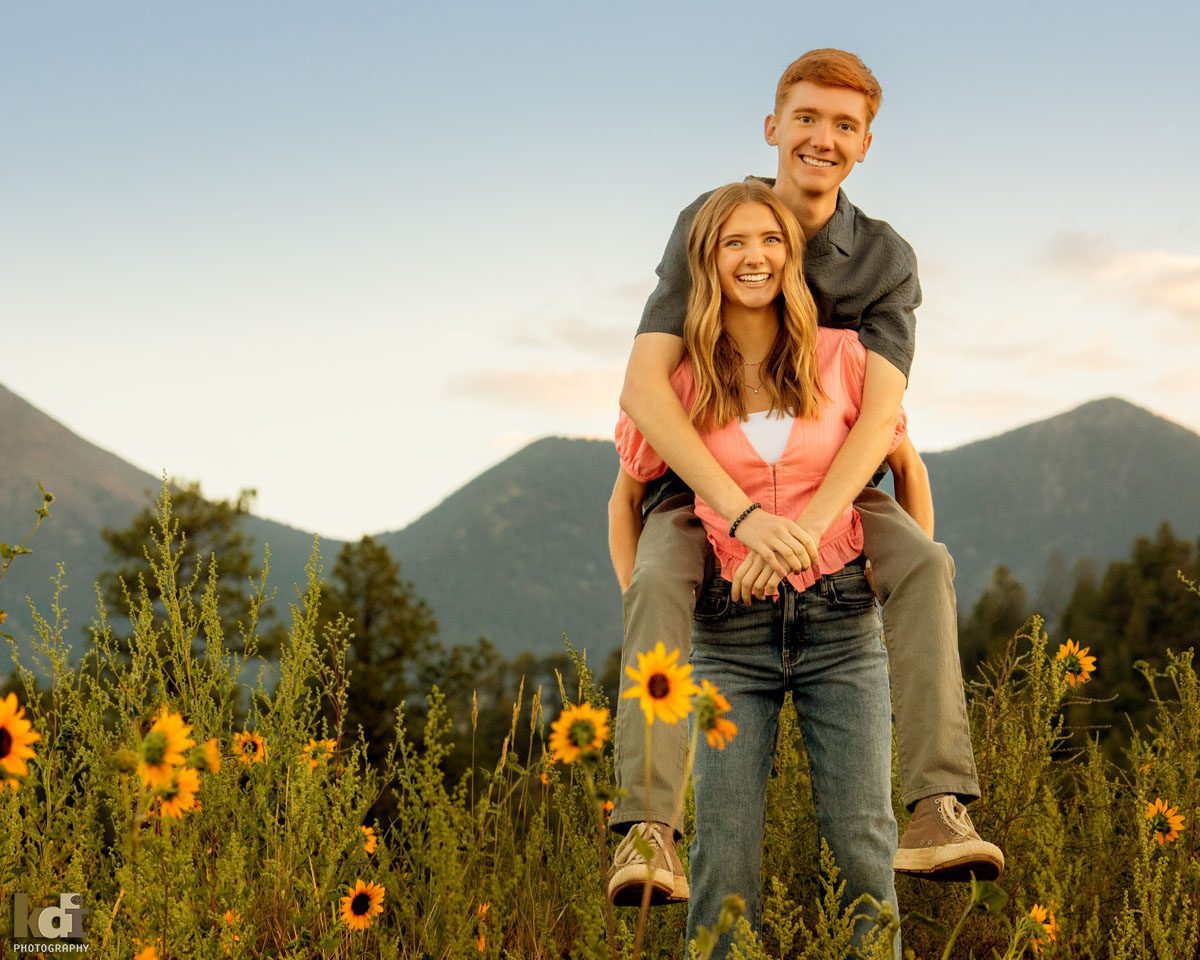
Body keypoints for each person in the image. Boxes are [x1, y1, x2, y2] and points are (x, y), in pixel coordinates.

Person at [607, 48, 1002, 909]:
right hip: (708, 491)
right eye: (807, 118)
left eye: (845, 125)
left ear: (865, 144)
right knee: (658, 575)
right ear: (772, 127)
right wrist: (744, 515)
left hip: (836, 493)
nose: (823, 139)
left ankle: (940, 804)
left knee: (926, 562)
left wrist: (808, 534)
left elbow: (882, 426)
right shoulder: (711, 222)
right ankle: (646, 825)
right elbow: (644, 389)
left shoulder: (883, 261)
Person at [611, 181, 908, 957]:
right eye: (734, 242)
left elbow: (902, 463)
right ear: (704, 261)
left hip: (843, 626)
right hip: (726, 637)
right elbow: (628, 499)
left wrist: (880, 575)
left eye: (772, 241)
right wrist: (651, 611)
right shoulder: (680, 379)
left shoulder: (841, 357)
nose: (756, 256)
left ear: (795, 257)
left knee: (864, 850)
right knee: (723, 861)